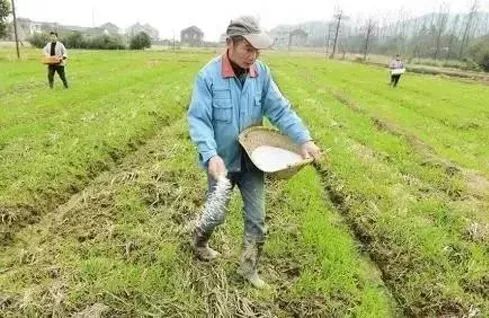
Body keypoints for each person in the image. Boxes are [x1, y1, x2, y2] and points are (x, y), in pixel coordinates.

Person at [187, 16, 321, 289]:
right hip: (221, 164)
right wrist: (210, 154)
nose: (253, 56)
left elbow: (280, 110)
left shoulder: (261, 74)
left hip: (253, 162)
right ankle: (199, 241)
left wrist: (304, 139)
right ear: (230, 44)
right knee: (216, 214)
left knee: (257, 219)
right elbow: (199, 120)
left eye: (257, 50)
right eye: (248, 49)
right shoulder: (208, 76)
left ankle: (248, 269)